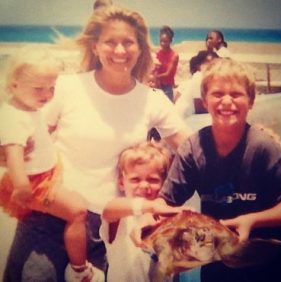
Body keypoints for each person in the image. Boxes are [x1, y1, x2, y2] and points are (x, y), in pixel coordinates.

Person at [2, 6, 191, 282]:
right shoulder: (66, 88)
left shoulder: (152, 99)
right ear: (95, 45)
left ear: (140, 48)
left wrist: (246, 131)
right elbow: (20, 135)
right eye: (110, 42)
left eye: (128, 42)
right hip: (49, 212)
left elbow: (192, 149)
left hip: (106, 228)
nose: (119, 50)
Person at [133, 58, 281, 282]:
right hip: (217, 261)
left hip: (267, 261)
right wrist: (147, 218)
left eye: (236, 94)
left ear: (250, 101)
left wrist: (252, 220)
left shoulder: (264, 148)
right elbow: (166, 201)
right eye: (218, 94)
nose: (227, 101)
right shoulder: (194, 148)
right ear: (204, 101)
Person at [0, 46, 105, 282]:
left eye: (51, 88)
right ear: (14, 84)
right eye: (39, 89)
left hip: (46, 174)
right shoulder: (15, 117)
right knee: (77, 211)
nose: (47, 95)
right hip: (34, 183)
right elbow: (14, 152)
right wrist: (21, 185)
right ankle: (79, 269)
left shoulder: (27, 107)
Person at [100, 141, 183, 281]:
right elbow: (108, 209)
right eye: (135, 179)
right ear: (121, 182)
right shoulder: (121, 216)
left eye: (152, 179)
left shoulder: (170, 219)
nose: (144, 185)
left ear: (165, 183)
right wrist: (149, 207)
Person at [174, 50, 218, 118]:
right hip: (184, 118)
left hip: (191, 117)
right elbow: (199, 107)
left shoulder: (208, 79)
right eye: (207, 62)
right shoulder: (199, 77)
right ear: (199, 65)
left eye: (214, 63)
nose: (211, 65)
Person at [154, 25, 179, 102]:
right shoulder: (158, 53)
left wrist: (154, 77)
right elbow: (154, 69)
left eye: (165, 41)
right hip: (157, 84)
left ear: (170, 41)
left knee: (169, 108)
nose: (162, 43)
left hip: (167, 86)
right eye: (161, 41)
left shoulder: (174, 55)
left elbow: (168, 74)